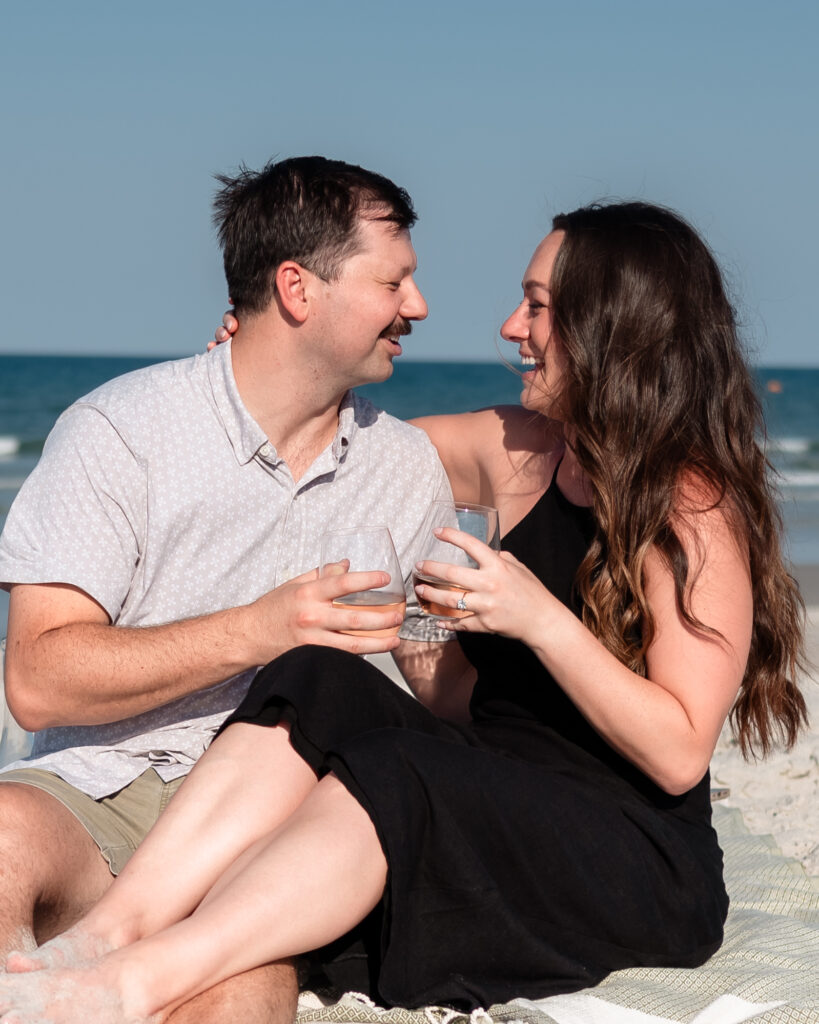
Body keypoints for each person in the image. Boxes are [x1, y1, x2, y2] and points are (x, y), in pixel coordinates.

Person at [0, 201, 807, 1024]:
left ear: (609, 327)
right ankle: (111, 933)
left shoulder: (690, 503)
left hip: (628, 857)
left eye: (535, 306)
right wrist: (257, 369)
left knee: (398, 767)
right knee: (312, 674)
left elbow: (677, 752)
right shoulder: (519, 449)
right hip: (497, 787)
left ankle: (138, 981)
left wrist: (537, 619)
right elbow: (341, 435)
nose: (508, 326)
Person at [0, 156, 453, 1022]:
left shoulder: (406, 469)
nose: (418, 307)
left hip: (267, 829)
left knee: (244, 992)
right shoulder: (120, 431)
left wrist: (483, 634)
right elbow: (36, 678)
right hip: (99, 791)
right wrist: (260, 629)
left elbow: (438, 681)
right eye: (394, 280)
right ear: (297, 288)